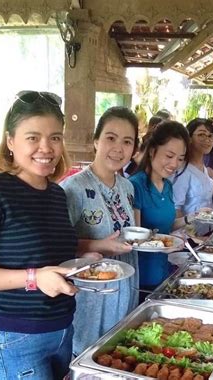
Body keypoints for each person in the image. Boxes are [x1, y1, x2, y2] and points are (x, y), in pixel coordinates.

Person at [0, 91, 80, 379]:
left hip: (61, 330)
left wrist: (92, 251)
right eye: (33, 137)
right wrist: (33, 278)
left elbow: (45, 251)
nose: (46, 148)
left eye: (55, 137)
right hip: (10, 339)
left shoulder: (56, 194)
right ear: (10, 141)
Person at [60, 106, 140, 356]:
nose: (118, 148)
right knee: (88, 359)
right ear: (96, 141)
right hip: (90, 298)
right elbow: (58, 246)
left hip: (125, 289)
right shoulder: (73, 189)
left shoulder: (127, 187)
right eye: (110, 138)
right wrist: (97, 246)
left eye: (127, 141)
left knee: (116, 356)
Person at [129, 121, 190, 289]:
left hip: (162, 271)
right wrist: (165, 244)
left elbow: (166, 227)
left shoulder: (167, 186)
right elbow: (136, 237)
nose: (175, 164)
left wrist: (190, 218)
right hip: (141, 277)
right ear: (151, 151)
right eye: (169, 156)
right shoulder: (135, 185)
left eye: (180, 159)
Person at [172, 118, 213, 216]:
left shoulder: (203, 167)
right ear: (189, 137)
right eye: (201, 135)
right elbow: (176, 209)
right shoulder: (182, 170)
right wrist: (188, 229)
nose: (207, 140)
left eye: (210, 136)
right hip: (189, 229)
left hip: (207, 229)